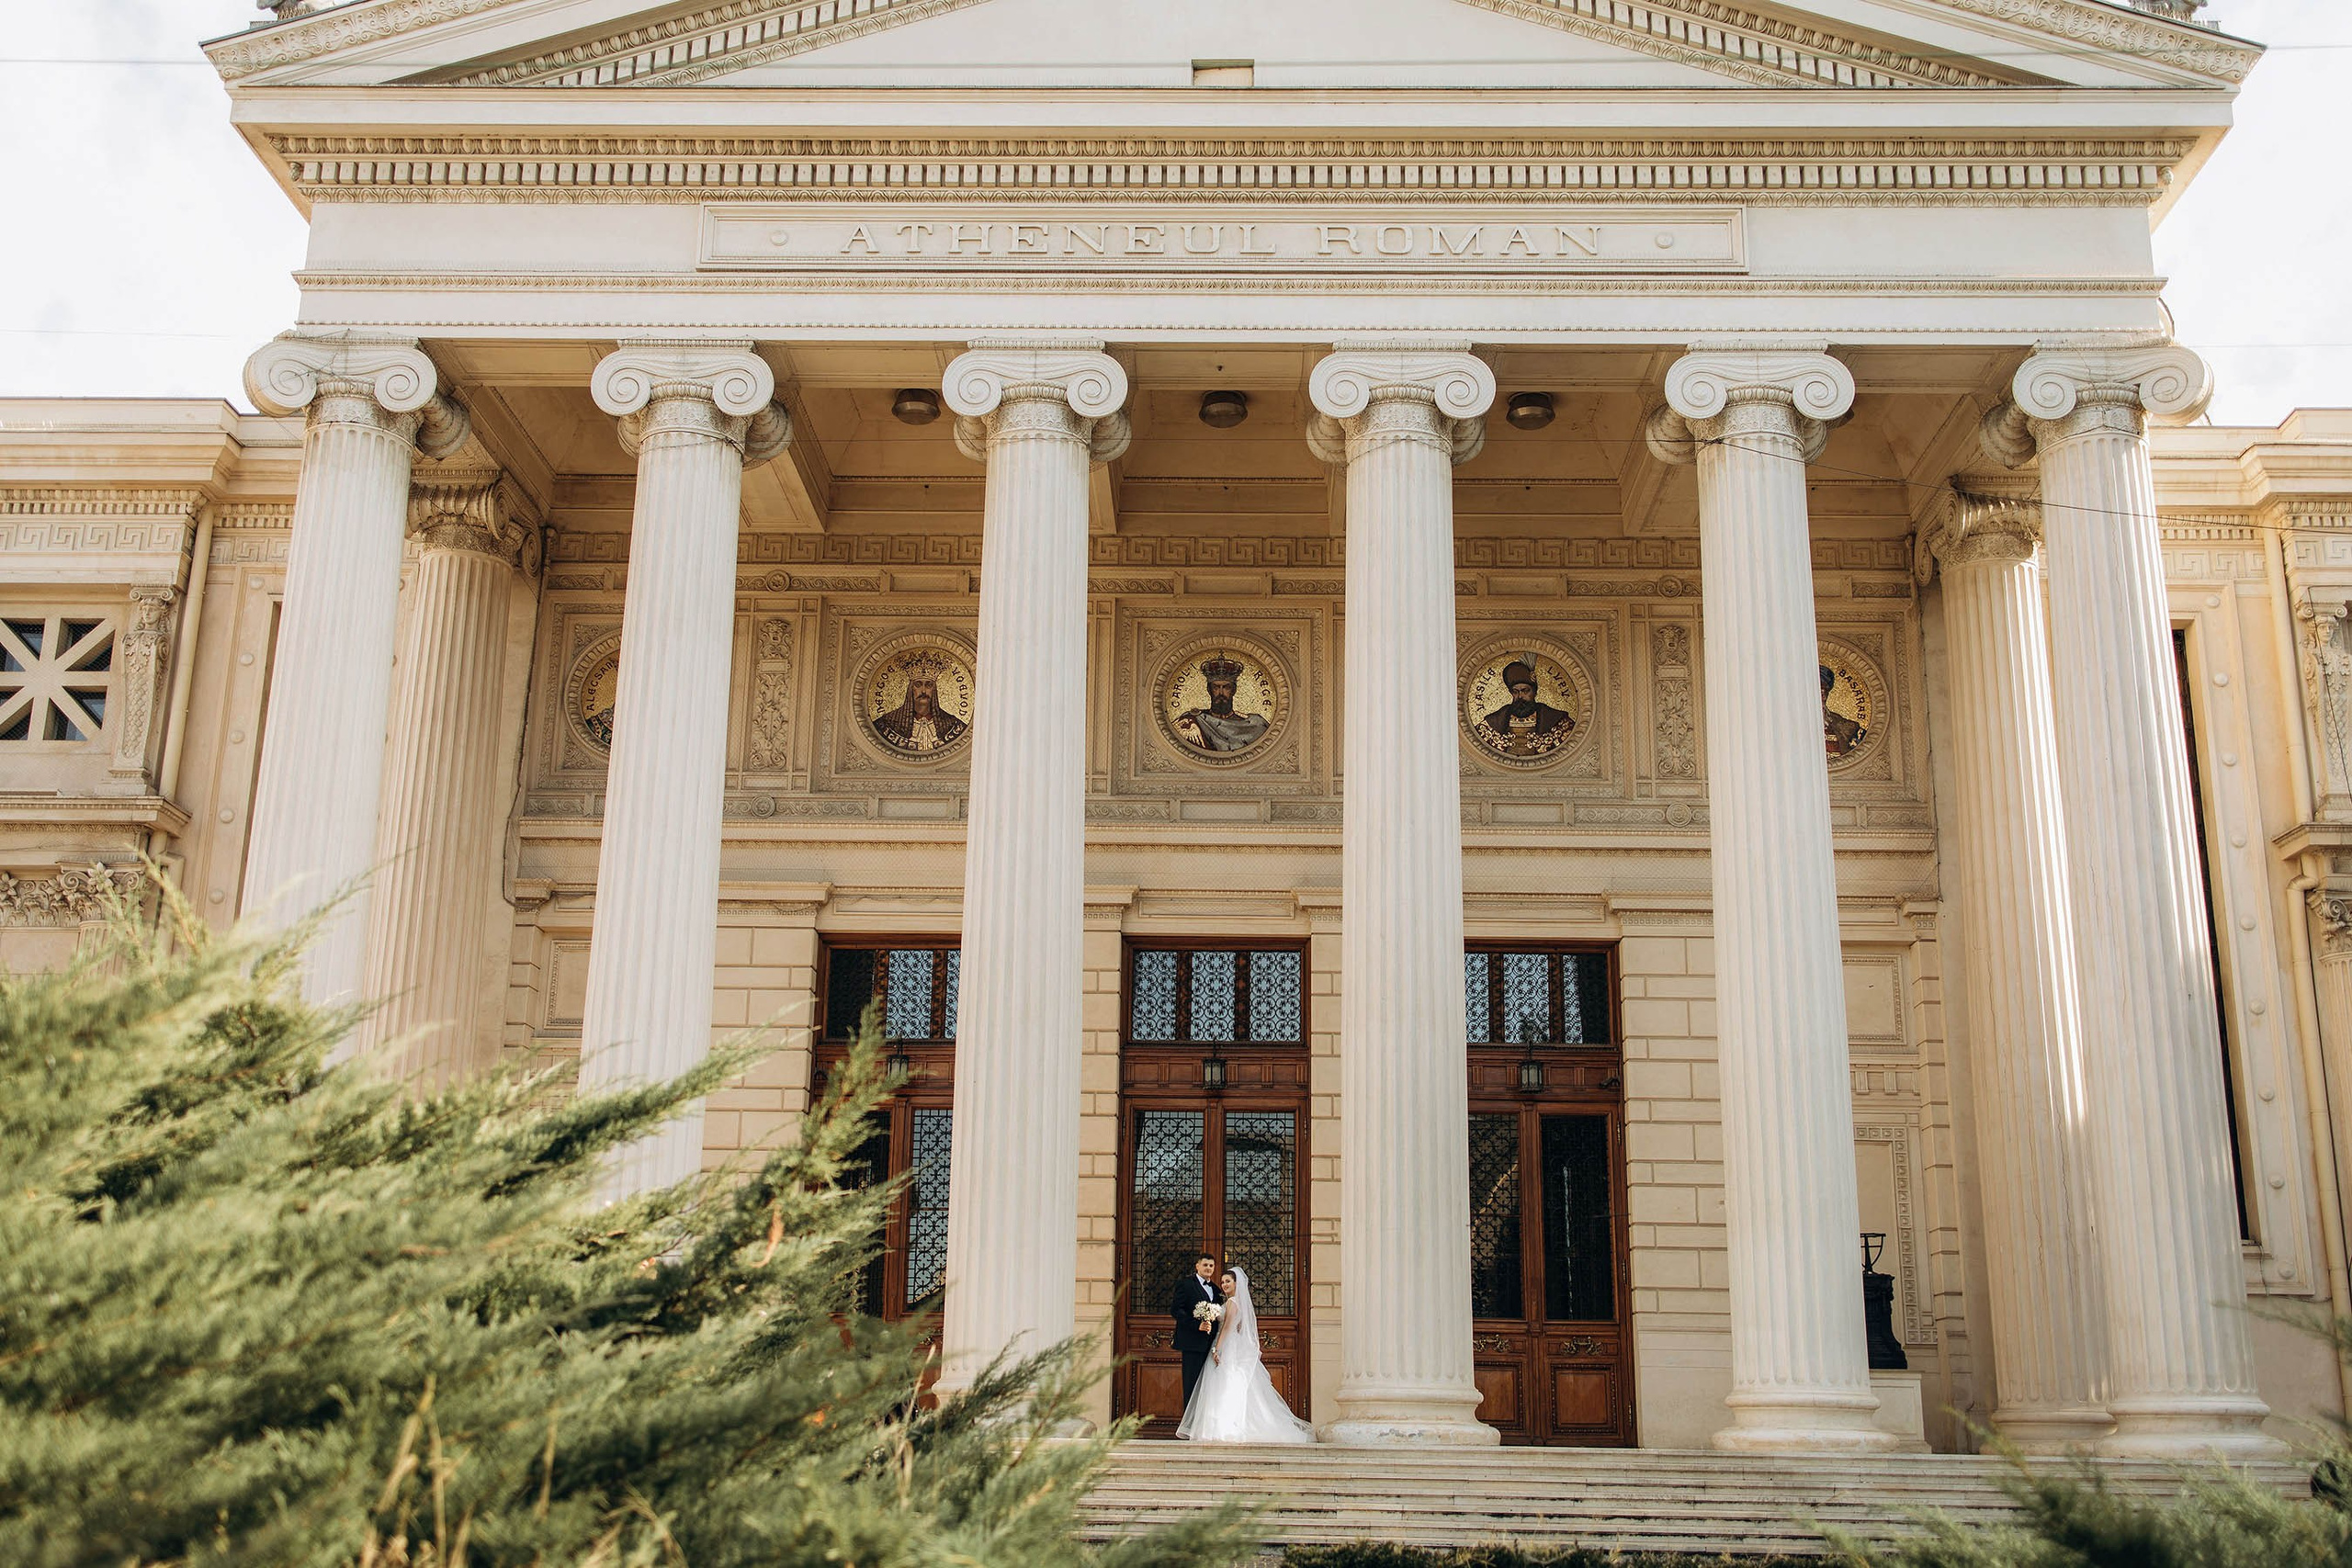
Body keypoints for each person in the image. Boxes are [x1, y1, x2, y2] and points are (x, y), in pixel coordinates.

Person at [1174, 1267, 1317, 1444]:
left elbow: (1227, 1327)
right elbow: (1238, 1327)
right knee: (1222, 1384)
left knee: (1223, 1384)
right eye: (1223, 1281)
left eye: (1228, 1281)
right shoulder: (1232, 1302)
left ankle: (1225, 1428)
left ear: (1236, 1284)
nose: (1225, 1284)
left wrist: (1216, 1348)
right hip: (1229, 1343)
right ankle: (1221, 1426)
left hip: (1226, 1345)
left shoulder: (1233, 1302)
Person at [1476, 659, 1575, 758]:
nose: (1520, 696)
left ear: (1535, 692)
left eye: (1525, 691)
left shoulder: (1555, 719)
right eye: (1515, 692)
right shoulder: (1496, 720)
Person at [1173, 654, 1269, 753]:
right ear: (1209, 690)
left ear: (1234, 690)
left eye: (1226, 687)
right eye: (1216, 687)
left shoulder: (1256, 724)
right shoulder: (1193, 721)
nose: (1221, 693)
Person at [871, 658, 967, 753]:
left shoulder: (953, 724)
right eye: (918, 685)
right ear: (911, 689)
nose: (924, 691)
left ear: (934, 690)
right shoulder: (887, 723)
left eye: (929, 685)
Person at [1170, 1254, 1223, 1411]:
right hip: (1192, 1344)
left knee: (1208, 1386)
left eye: (1211, 1266)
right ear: (1197, 1266)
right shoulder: (1185, 1284)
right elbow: (1176, 1310)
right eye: (1205, 1265)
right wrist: (1196, 1325)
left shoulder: (1215, 1289)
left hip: (1210, 1345)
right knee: (1191, 1385)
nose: (1208, 1268)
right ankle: (1189, 1427)